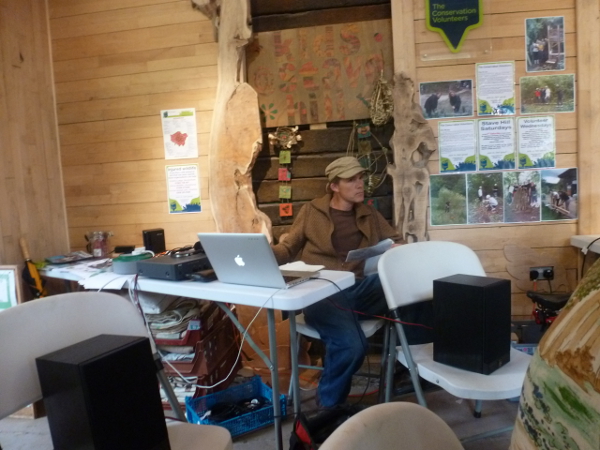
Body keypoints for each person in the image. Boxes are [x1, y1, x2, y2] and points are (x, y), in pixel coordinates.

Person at [271, 156, 403, 408]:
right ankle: (328, 407)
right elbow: (288, 248)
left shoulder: (369, 214)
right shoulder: (312, 211)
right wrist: (264, 254)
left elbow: (396, 240)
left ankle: (410, 370)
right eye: (351, 180)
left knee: (405, 285)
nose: (360, 184)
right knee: (353, 346)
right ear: (334, 186)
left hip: (356, 289)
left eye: (360, 178)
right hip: (321, 293)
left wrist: (397, 248)